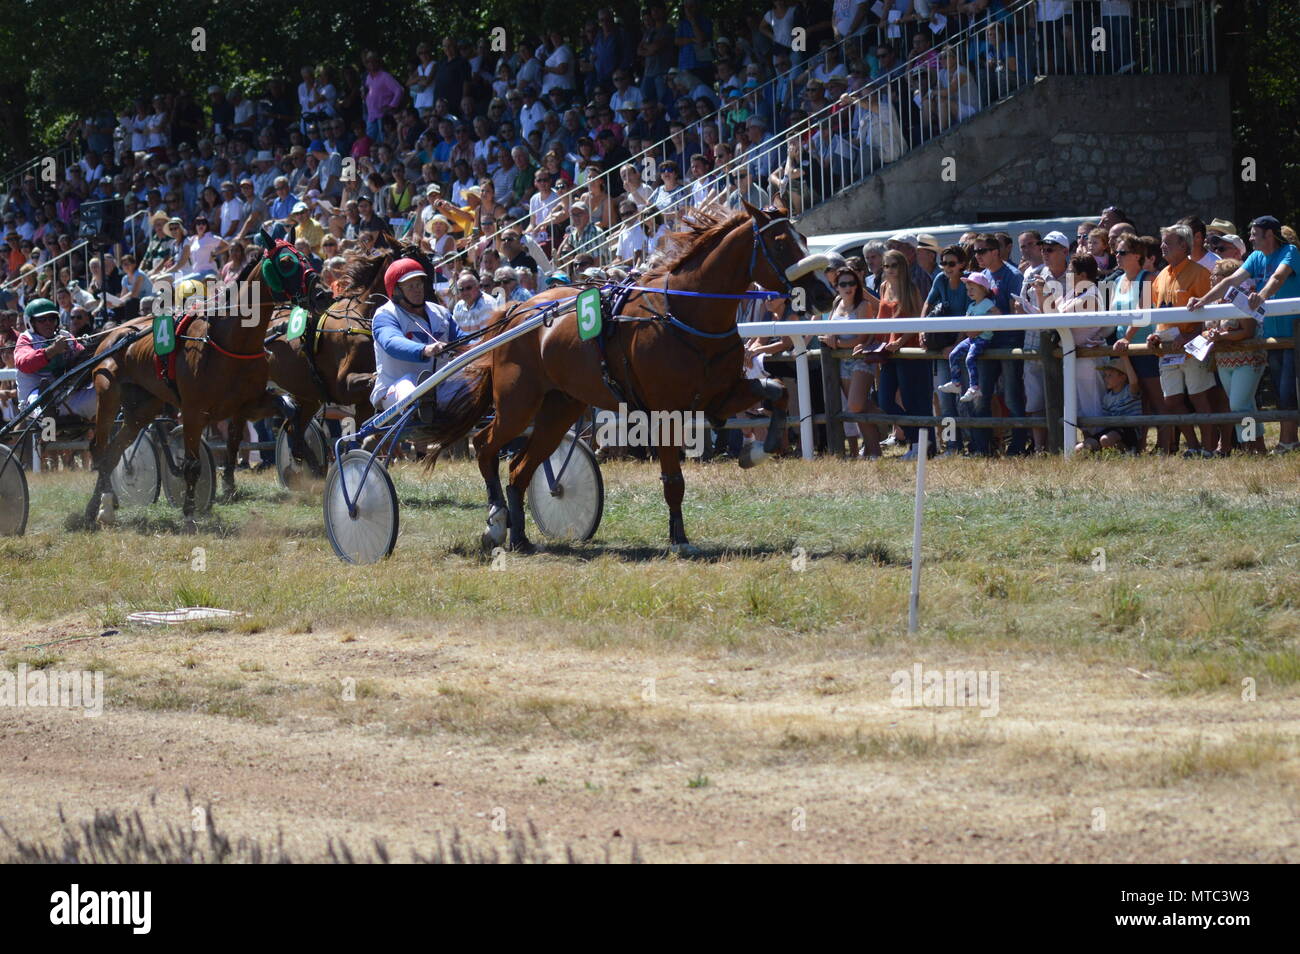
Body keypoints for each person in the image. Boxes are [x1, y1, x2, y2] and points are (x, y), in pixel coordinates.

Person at [1187, 215, 1300, 453]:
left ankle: (1286, 441)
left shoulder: (1289, 251)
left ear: (1269, 235)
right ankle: (1264, 445)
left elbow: (1278, 277)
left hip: (1293, 332)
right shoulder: (1257, 257)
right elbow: (1231, 280)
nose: (1249, 238)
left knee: (1285, 390)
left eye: (1254, 234)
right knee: (1277, 392)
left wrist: (1263, 295)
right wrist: (1204, 300)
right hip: (1271, 334)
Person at [855, 249, 932, 460]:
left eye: (894, 265)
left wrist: (899, 341)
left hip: (908, 350)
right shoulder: (883, 287)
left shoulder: (911, 289)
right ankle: (918, 438)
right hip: (887, 353)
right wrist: (868, 343)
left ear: (902, 267)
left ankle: (919, 444)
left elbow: (918, 320)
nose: (889, 270)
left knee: (912, 399)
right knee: (885, 400)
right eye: (886, 266)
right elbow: (880, 321)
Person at [1147, 224, 1215, 457]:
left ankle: (1208, 448)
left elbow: (1210, 315)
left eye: (1168, 242)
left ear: (1184, 245)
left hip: (1193, 347)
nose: (1162, 246)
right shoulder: (1160, 277)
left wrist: (1191, 335)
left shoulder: (1200, 274)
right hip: (1168, 351)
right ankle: (1194, 446)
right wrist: (1155, 334)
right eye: (1162, 241)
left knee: (1198, 397)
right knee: (1172, 401)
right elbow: (1159, 314)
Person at [370, 259, 460, 412]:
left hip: (439, 385)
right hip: (395, 388)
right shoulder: (385, 315)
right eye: (410, 286)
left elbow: (463, 338)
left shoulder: (441, 312)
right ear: (396, 291)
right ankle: (420, 413)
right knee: (409, 385)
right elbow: (391, 342)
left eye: (419, 284)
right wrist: (424, 350)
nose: (417, 289)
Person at [820, 266, 881, 458]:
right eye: (843, 284)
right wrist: (831, 339)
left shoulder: (864, 305)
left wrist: (837, 343)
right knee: (858, 409)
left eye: (852, 283)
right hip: (842, 361)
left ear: (858, 285)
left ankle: (894, 419)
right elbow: (828, 328)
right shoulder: (837, 302)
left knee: (855, 405)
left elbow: (862, 338)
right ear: (836, 286)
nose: (848, 287)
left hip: (861, 359)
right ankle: (874, 451)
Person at [13, 298, 96, 420]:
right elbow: (24, 363)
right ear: (30, 322)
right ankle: (53, 419)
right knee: (42, 401)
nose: (48, 323)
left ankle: (75, 421)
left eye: (51, 318)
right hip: (34, 395)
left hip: (66, 392)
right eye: (42, 319)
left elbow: (85, 358)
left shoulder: (65, 336)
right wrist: (52, 351)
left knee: (100, 392)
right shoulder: (26, 338)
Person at [938, 271, 1000, 405]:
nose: (969, 292)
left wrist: (981, 322)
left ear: (983, 289)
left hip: (983, 339)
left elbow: (997, 314)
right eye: (968, 289)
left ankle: (974, 387)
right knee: (953, 354)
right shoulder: (971, 306)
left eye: (972, 289)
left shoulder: (987, 303)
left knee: (969, 358)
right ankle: (956, 382)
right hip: (971, 339)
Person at [1077, 356, 1143, 454]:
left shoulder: (1129, 391)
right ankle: (1111, 451)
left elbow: (1134, 381)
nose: (1105, 378)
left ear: (1123, 377)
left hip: (1129, 430)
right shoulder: (1107, 398)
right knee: (1079, 448)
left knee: (1105, 440)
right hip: (1112, 429)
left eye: (1110, 375)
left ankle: (1129, 452)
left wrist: (1124, 357)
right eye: (1105, 375)